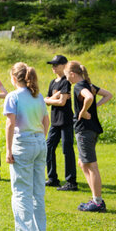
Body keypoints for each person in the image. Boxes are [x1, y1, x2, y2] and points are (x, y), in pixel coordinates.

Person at [4, 62, 48, 231]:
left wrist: (8, 149)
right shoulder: (37, 96)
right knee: (38, 191)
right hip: (39, 142)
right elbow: (46, 120)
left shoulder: (13, 96)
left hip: (23, 143)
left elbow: (9, 125)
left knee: (21, 191)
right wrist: (40, 138)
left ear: (14, 78)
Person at [65, 59, 113, 213]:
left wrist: (84, 111)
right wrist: (93, 108)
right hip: (90, 129)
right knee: (83, 163)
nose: (67, 79)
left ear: (72, 74)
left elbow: (90, 98)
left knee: (91, 165)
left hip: (85, 130)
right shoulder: (88, 85)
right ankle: (95, 198)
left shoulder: (79, 86)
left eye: (67, 75)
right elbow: (108, 95)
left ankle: (98, 202)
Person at [44, 54, 78, 191]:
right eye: (52, 65)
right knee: (48, 147)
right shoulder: (53, 82)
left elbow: (62, 102)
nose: (53, 67)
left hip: (66, 120)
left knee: (67, 149)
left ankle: (71, 182)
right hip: (55, 121)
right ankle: (52, 178)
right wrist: (55, 97)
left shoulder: (66, 81)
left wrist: (52, 99)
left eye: (56, 65)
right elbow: (46, 100)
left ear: (64, 66)